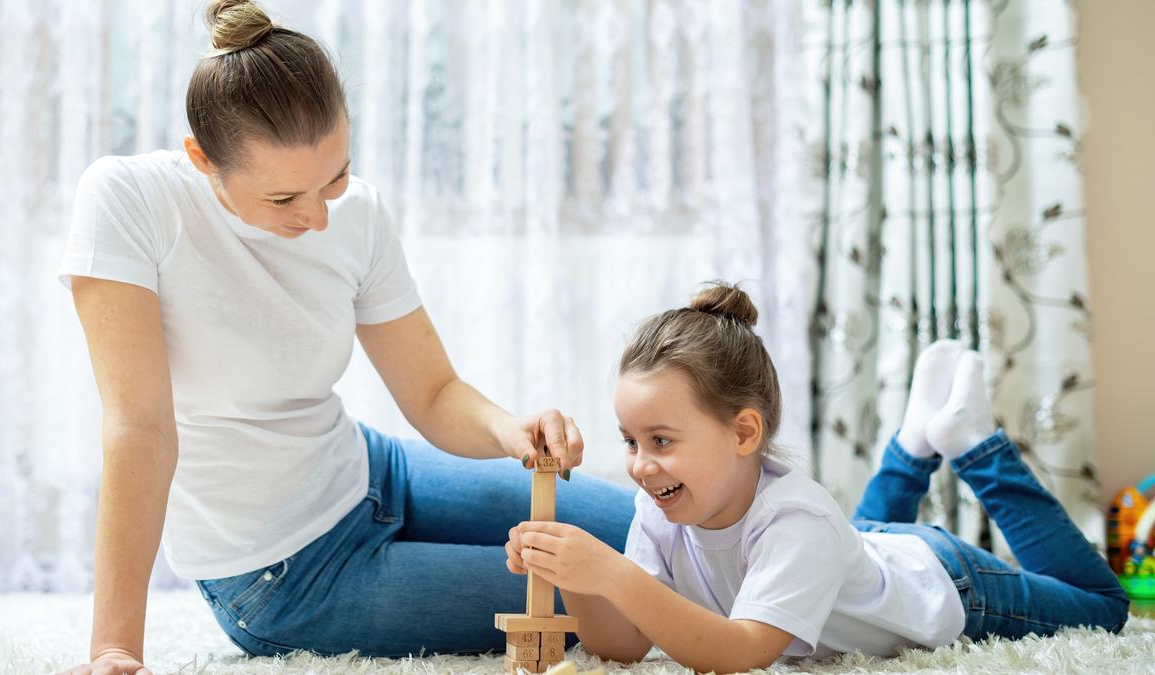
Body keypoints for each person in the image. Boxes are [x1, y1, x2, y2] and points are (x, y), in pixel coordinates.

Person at [56, 1, 634, 672]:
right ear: (201, 158)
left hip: (376, 473)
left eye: (334, 176)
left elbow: (433, 390)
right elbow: (142, 429)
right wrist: (114, 648)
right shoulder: (130, 203)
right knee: (619, 593)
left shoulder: (356, 212)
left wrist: (508, 430)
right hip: (283, 576)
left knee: (650, 542)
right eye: (284, 199)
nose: (319, 216)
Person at [505, 282, 1130, 673]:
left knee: (1103, 606)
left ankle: (973, 445)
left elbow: (744, 651)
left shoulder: (797, 520)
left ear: (745, 433)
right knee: (849, 537)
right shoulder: (662, 509)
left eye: (661, 441)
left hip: (948, 582)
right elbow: (624, 647)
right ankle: (912, 445)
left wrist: (615, 575)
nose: (639, 465)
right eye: (631, 442)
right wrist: (576, 577)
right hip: (857, 548)